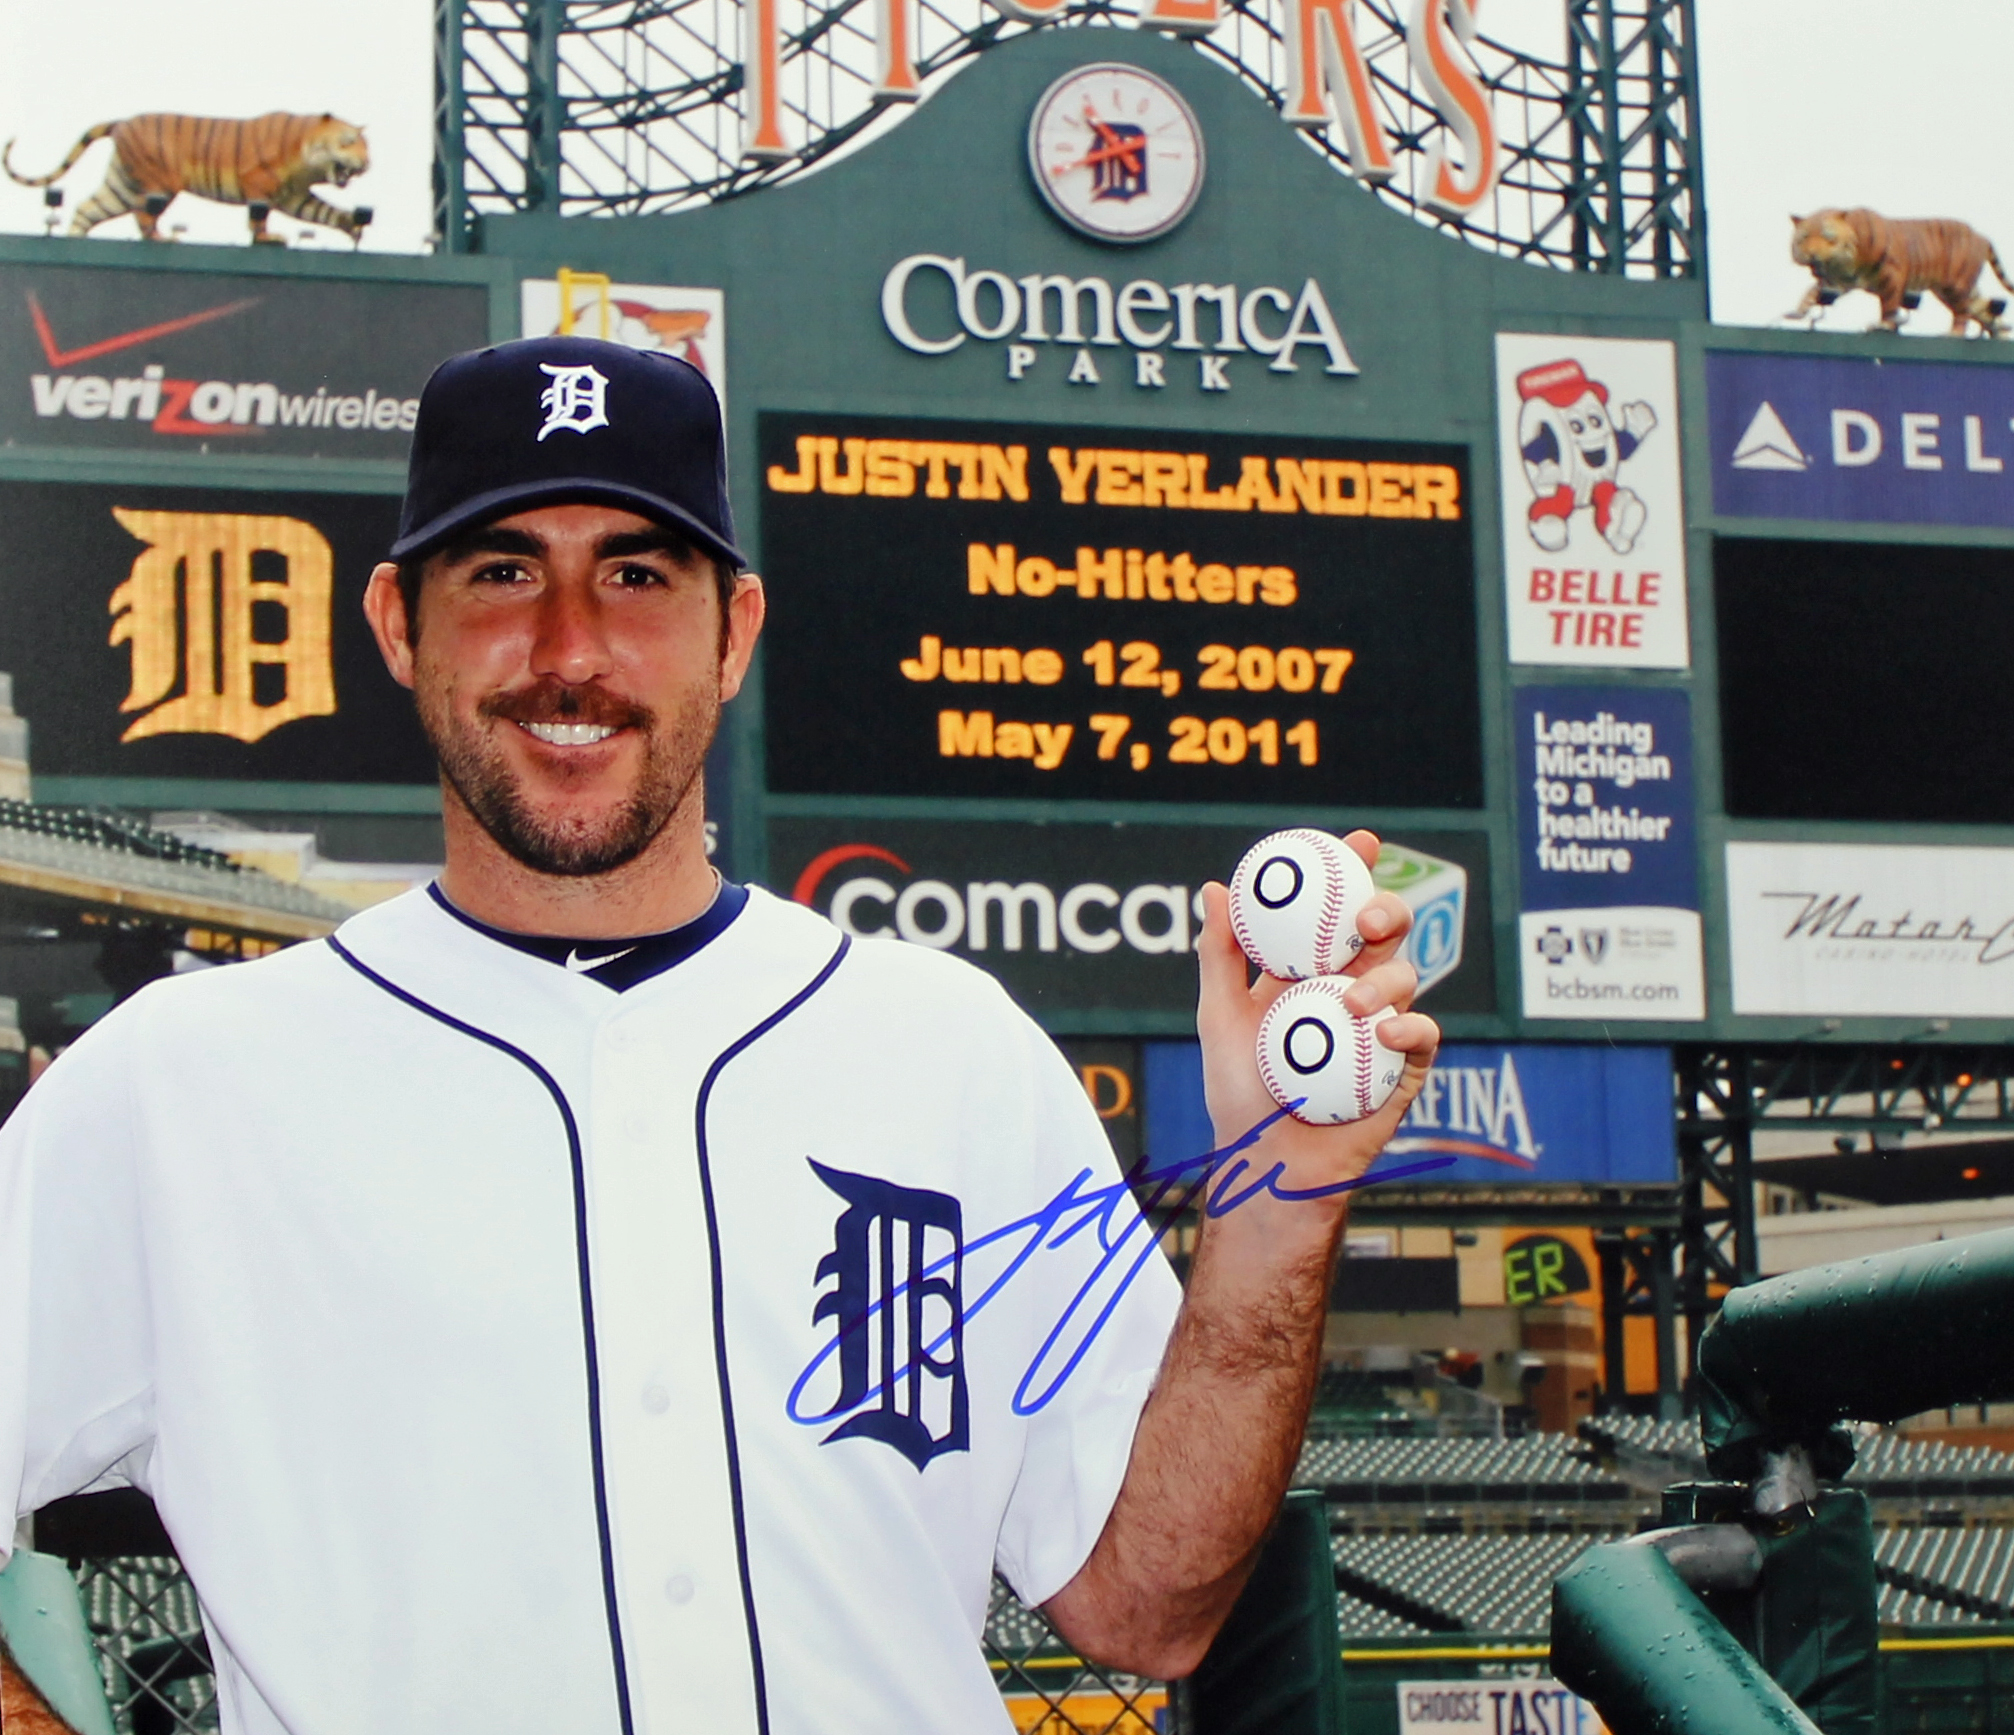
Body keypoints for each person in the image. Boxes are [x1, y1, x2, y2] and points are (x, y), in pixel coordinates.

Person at [0, 336, 1438, 1732]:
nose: (570, 648)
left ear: (733, 630)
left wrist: (1281, 1202)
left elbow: (1145, 1605)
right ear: (396, 623)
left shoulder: (953, 1054)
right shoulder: (178, 1089)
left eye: (636, 573)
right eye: (505, 572)